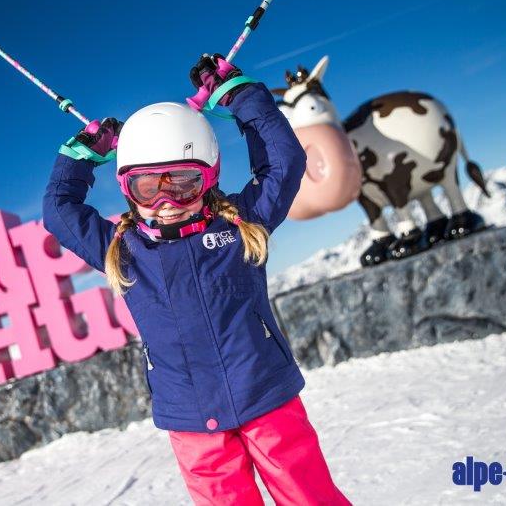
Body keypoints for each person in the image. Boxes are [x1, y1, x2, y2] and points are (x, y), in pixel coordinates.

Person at [43, 54, 351, 505]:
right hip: (193, 423)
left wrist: (242, 96)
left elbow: (283, 161)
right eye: (149, 187)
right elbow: (59, 212)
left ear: (208, 178)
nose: (167, 199)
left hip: (267, 399)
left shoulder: (240, 225)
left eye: (184, 182)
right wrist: (81, 157)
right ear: (129, 189)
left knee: (311, 497)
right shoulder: (126, 252)